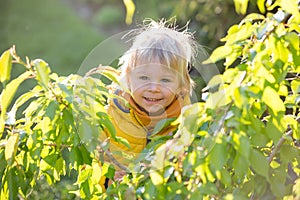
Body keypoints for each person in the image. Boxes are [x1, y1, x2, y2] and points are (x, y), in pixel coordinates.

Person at [99, 19, 198, 188]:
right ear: (128, 78)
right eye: (144, 78)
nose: (153, 88)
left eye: (165, 80)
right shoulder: (111, 115)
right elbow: (91, 162)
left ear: (182, 85)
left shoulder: (185, 122)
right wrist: (108, 179)